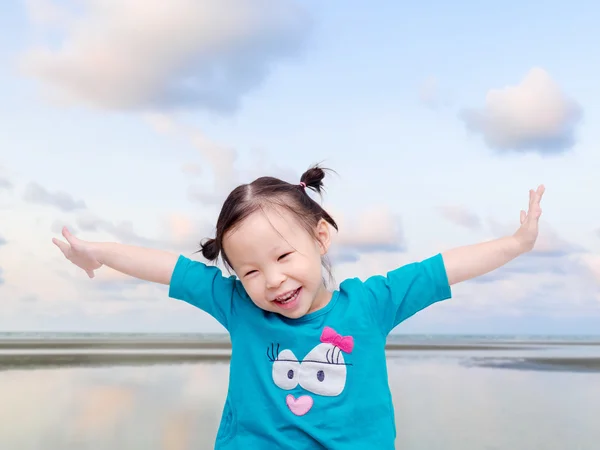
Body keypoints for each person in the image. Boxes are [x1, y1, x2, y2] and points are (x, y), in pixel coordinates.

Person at [52, 165, 545, 449]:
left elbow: (443, 269)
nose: (272, 281)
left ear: (321, 237)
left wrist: (516, 244)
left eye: (284, 256)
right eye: (249, 271)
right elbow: (167, 268)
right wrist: (98, 252)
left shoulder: (371, 304)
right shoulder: (238, 306)